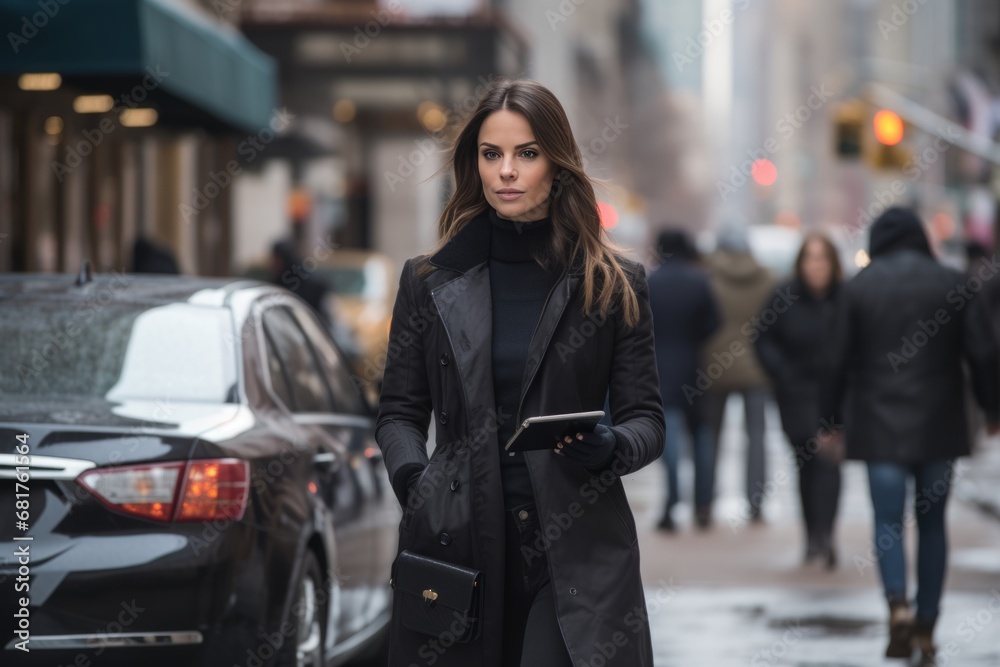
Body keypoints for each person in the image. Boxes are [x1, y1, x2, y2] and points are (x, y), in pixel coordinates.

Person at [375, 79, 665, 667]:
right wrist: (418, 484)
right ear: (474, 164)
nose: (507, 170)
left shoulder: (612, 283)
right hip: (457, 540)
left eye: (526, 154)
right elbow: (400, 413)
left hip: (576, 545)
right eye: (492, 154)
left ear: (557, 165)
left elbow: (647, 419)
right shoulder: (428, 282)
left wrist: (612, 446)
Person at [822, 207, 1000, 662]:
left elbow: (835, 360)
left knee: (887, 520)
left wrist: (830, 420)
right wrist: (992, 407)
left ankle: (896, 605)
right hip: (939, 422)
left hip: (878, 422)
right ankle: (927, 621)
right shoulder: (954, 283)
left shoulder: (858, 288)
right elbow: (983, 352)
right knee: (934, 522)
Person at [755, 233, 843, 567]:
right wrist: (781, 371)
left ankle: (826, 534)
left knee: (830, 460)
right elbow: (762, 339)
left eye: (822, 258)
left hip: (833, 394)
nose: (816, 266)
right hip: (795, 395)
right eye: (810, 258)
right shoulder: (783, 296)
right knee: (807, 463)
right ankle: (813, 535)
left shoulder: (845, 298)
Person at [701, 225, 776, 524]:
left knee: (711, 437)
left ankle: (706, 501)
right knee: (756, 436)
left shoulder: (707, 277)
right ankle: (755, 503)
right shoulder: (768, 278)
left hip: (714, 366)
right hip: (757, 366)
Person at [647, 229, 721, 530]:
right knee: (701, 437)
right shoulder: (700, 281)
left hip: (660, 369)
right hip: (694, 368)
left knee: (670, 439)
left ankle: (672, 501)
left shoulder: (651, 282)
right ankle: (703, 504)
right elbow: (715, 322)